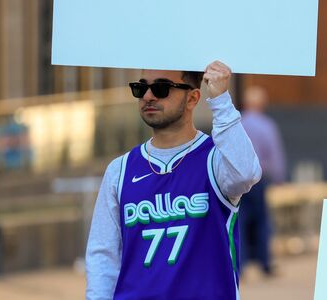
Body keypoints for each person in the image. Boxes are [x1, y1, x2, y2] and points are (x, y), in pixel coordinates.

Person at [86, 61, 262, 299]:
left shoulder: (215, 160)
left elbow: (247, 173)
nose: (148, 96)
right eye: (141, 88)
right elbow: (103, 256)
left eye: (161, 88)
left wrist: (221, 100)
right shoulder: (120, 170)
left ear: (192, 98)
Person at [238, 86, 286, 276]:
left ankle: (239, 266)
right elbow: (274, 153)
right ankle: (264, 263)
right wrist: (279, 177)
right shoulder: (267, 125)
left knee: (240, 222)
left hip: (239, 178)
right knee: (262, 221)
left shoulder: (237, 123)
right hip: (260, 178)